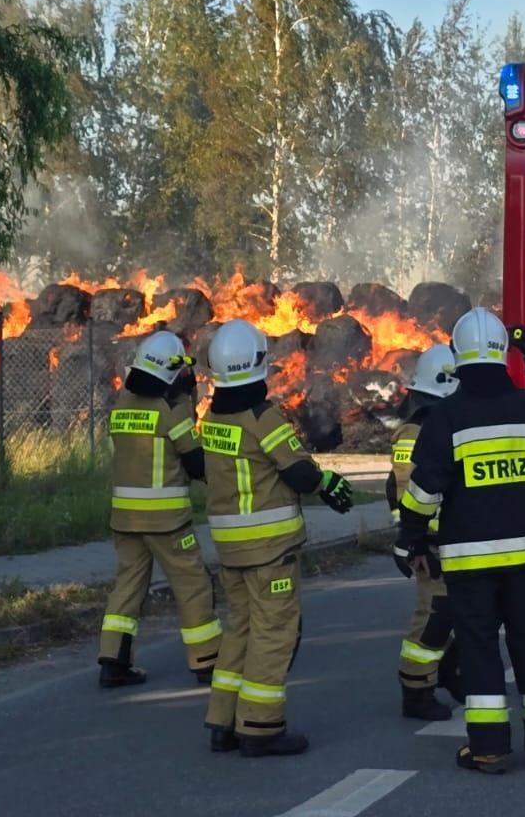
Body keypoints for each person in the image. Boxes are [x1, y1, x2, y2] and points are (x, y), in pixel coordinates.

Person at [396, 310, 525, 775]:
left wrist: (409, 540)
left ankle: (489, 748)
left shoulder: (445, 417)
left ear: (457, 357)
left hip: (470, 560)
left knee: (479, 650)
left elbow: (423, 491)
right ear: (501, 353)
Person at [200, 318, 356, 757]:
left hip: (230, 549)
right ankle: (261, 727)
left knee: (241, 632)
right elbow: (300, 471)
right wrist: (326, 483)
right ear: (258, 366)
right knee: (275, 634)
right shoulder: (262, 417)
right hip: (269, 551)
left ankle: (223, 721)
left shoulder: (213, 417)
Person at [98, 331, 219, 688]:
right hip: (167, 522)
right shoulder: (172, 411)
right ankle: (208, 661)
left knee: (127, 586)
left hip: (125, 519)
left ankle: (112, 662)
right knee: (192, 585)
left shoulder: (121, 406)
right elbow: (195, 462)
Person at [387, 343, 461, 721]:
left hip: (440, 541)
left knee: (451, 613)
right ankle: (416, 689)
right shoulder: (421, 433)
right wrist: (416, 541)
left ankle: (445, 672)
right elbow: (408, 489)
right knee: (432, 617)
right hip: (430, 546)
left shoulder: (423, 428)